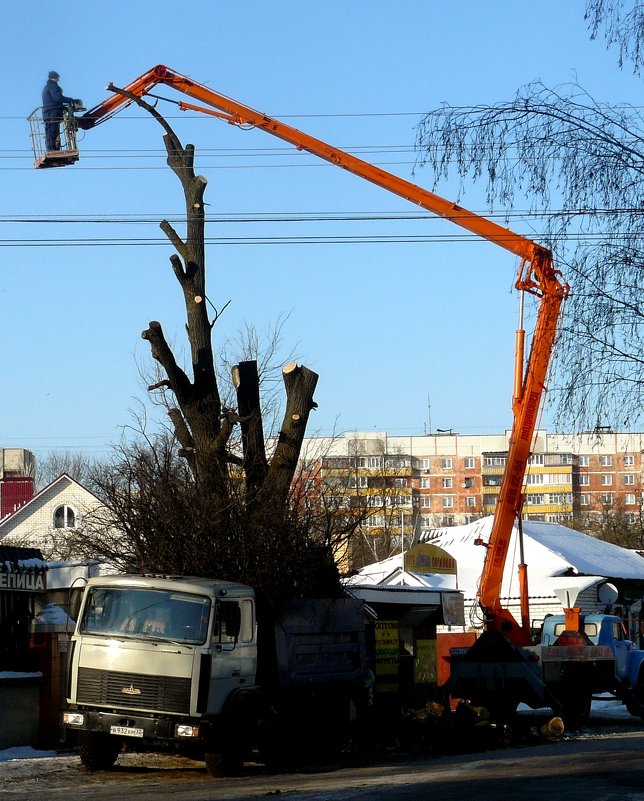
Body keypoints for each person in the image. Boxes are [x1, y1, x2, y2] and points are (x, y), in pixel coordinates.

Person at [41, 71, 76, 151]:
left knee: (49, 133)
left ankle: (51, 149)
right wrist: (71, 100)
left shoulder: (47, 87)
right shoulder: (53, 87)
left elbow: (53, 100)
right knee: (53, 132)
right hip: (53, 113)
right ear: (55, 78)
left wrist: (63, 107)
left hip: (47, 113)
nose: (58, 80)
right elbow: (58, 98)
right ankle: (53, 150)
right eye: (58, 78)